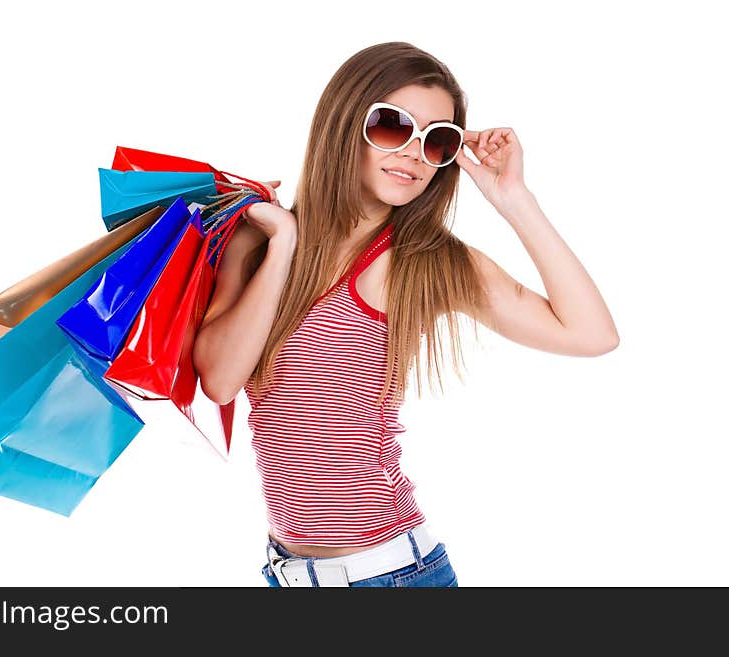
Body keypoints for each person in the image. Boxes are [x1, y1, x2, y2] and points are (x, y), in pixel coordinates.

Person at [191, 42, 619, 587]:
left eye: (437, 140)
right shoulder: (258, 239)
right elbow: (222, 380)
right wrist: (285, 246)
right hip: (288, 575)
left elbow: (591, 334)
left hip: (394, 576)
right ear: (344, 123)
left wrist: (512, 197)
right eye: (393, 126)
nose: (415, 153)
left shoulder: (426, 261)